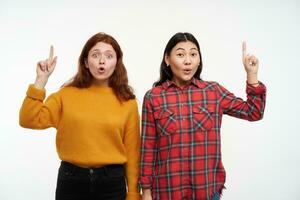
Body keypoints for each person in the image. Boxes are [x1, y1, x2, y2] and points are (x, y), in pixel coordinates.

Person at [139, 32, 266, 200]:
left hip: (206, 190)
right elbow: (148, 147)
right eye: (180, 54)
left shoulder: (213, 91)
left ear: (199, 60)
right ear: (167, 59)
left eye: (193, 54)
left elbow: (253, 112)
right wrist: (146, 192)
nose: (188, 61)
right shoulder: (153, 97)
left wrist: (252, 75)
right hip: (167, 191)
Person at [19, 32, 141, 200]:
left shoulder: (127, 102)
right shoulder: (65, 95)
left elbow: (133, 152)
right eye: (95, 55)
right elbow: (28, 119)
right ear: (85, 61)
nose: (102, 61)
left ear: (117, 62)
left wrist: (133, 193)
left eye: (109, 56)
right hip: (71, 180)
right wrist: (41, 80)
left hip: (112, 183)